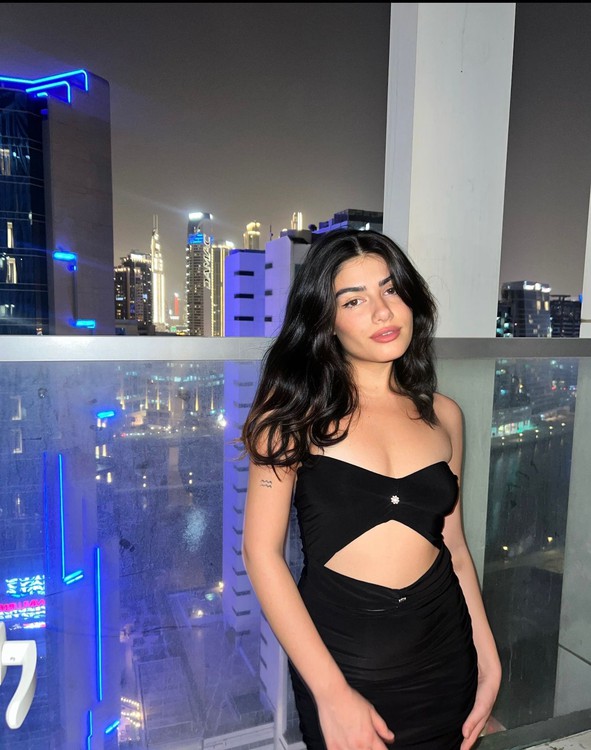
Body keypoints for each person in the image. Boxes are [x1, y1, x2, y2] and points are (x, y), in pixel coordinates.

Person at [241, 228, 501, 750]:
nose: (383, 312)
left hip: (446, 651)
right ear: (326, 320)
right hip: (343, 667)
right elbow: (260, 554)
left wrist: (488, 655)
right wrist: (332, 694)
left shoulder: (445, 415)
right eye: (354, 300)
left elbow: (453, 547)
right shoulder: (290, 418)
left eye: (391, 289)